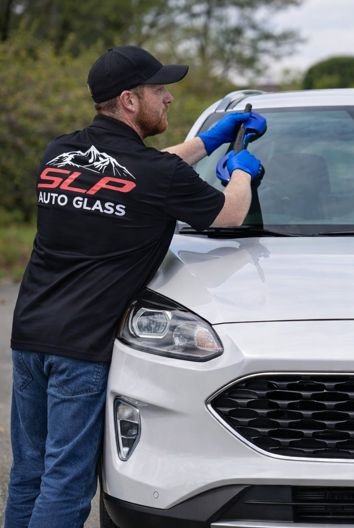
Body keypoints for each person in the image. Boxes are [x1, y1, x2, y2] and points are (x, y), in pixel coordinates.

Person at [4, 46, 267, 527]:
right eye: (159, 89)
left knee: (29, 474)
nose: (168, 99)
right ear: (129, 100)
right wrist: (242, 175)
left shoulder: (59, 153)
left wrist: (206, 143)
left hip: (30, 337)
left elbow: (139, 173)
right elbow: (230, 214)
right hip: (81, 350)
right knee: (66, 483)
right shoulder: (157, 175)